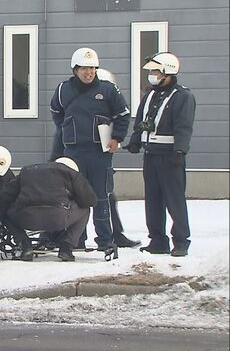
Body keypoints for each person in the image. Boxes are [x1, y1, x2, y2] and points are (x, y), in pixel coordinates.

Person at [48, 68, 141, 249]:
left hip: (99, 153)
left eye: (92, 70)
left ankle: (107, 238)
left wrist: (116, 138)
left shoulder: (108, 91)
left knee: (102, 198)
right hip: (73, 153)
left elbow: (122, 115)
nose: (89, 73)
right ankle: (78, 239)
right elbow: (57, 117)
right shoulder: (65, 91)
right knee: (78, 198)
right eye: (85, 69)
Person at [126, 52, 196, 257]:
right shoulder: (150, 94)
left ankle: (181, 241)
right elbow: (141, 119)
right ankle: (158, 240)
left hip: (170, 156)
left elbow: (184, 127)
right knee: (153, 199)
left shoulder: (182, 96)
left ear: (168, 72)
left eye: (156, 71)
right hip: (151, 155)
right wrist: (135, 141)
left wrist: (180, 151)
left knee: (175, 200)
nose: (152, 75)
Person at [0, 157, 97, 262]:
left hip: (26, 218)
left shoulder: (27, 171)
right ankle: (66, 246)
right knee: (85, 210)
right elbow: (90, 201)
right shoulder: (70, 173)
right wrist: (71, 198)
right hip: (58, 218)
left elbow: (5, 196)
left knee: (6, 213)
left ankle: (24, 244)